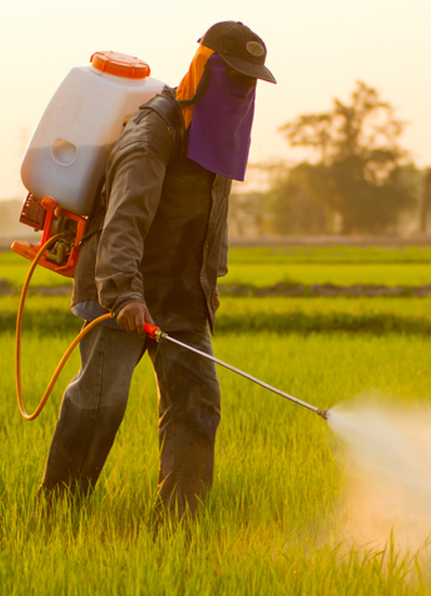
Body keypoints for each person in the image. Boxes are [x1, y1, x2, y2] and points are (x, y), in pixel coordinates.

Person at [39, 21, 276, 519]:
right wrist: (125, 293)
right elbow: (124, 221)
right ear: (204, 69)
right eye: (233, 74)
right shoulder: (152, 134)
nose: (242, 87)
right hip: (121, 288)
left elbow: (214, 221)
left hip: (181, 296)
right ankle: (57, 513)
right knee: (101, 402)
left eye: (250, 79)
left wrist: (208, 287)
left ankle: (178, 526)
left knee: (197, 404)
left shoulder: (218, 139)